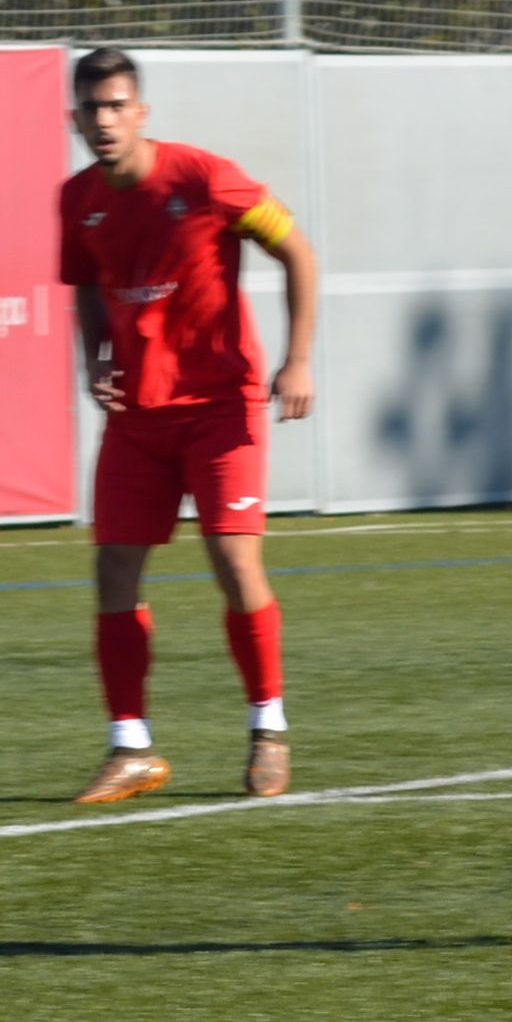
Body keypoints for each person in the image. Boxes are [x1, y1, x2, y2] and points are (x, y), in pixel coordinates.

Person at [57, 46, 320, 805]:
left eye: (116, 106)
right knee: (113, 570)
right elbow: (84, 284)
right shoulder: (78, 200)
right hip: (138, 415)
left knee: (233, 562)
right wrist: (97, 357)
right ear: (75, 118)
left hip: (219, 407)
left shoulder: (203, 177)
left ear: (140, 112)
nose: (104, 121)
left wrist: (297, 359)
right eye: (91, 109)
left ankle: (268, 727)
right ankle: (130, 745)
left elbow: (297, 251)